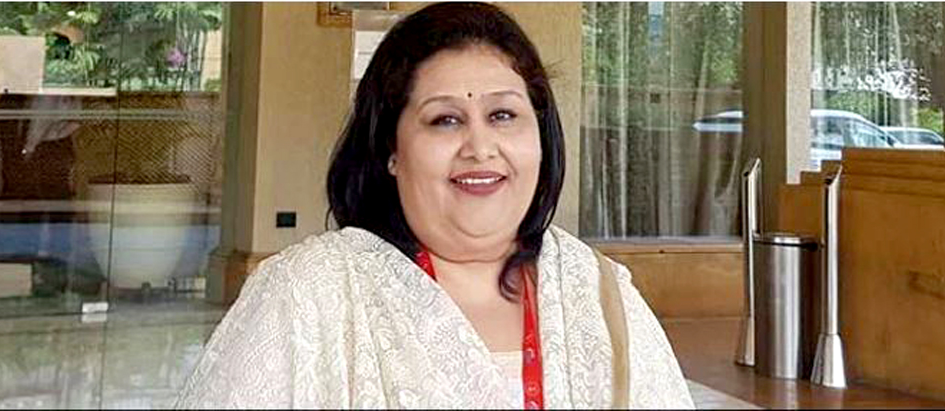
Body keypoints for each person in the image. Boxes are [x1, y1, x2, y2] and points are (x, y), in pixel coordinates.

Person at [176, 2, 693, 409]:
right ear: (391, 150)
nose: (480, 147)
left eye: (503, 115)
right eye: (445, 120)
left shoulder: (601, 295)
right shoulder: (309, 292)